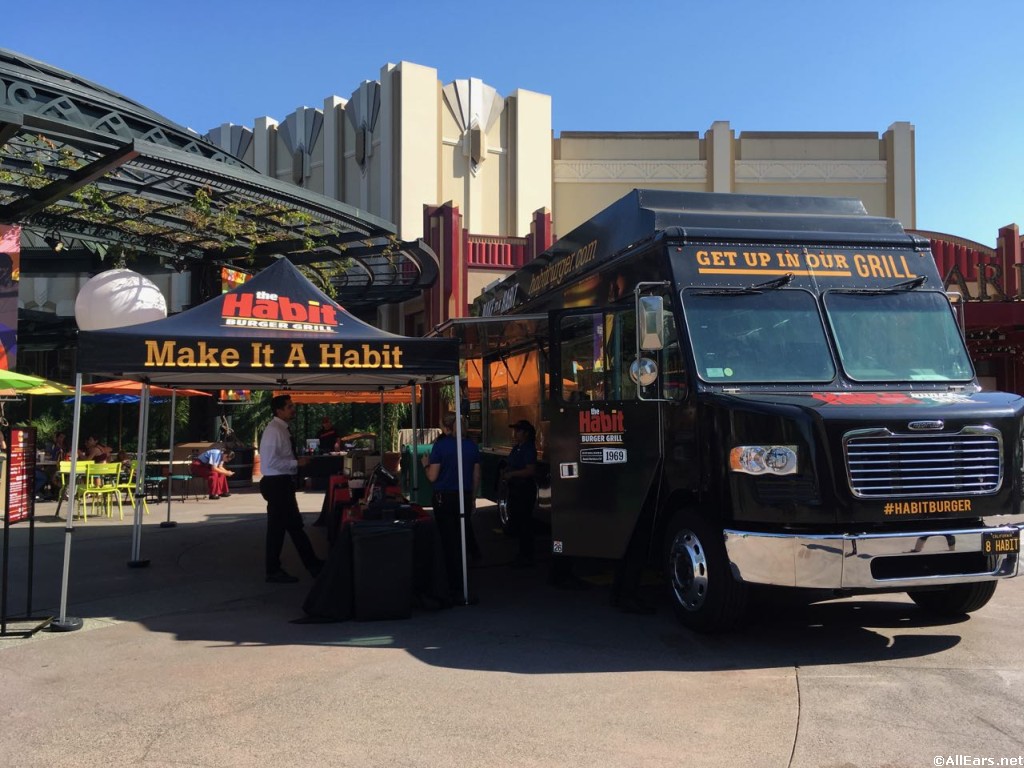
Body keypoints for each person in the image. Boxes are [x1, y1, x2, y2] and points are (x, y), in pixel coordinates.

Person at [258, 394, 324, 583]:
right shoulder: (274, 431)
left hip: (281, 483)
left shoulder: (281, 429)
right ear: (278, 410)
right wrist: (296, 463)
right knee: (287, 528)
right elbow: (270, 462)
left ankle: (308, 564)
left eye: (292, 406)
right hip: (276, 483)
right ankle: (306, 566)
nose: (292, 409)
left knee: (287, 527)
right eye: (289, 407)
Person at [422, 412, 481, 604]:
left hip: (444, 498)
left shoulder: (441, 446)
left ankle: (451, 586)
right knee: (461, 539)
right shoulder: (471, 445)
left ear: (444, 426)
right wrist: (472, 499)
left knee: (448, 542)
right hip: (463, 496)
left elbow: (432, 477)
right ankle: (462, 583)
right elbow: (476, 476)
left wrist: (425, 465)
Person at [502, 420, 538, 567]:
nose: (515, 434)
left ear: (526, 433)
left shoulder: (528, 448)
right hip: (515, 489)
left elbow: (530, 470)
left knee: (525, 522)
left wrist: (512, 474)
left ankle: (526, 555)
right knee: (518, 521)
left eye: (518, 431)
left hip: (524, 489)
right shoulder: (517, 448)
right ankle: (522, 553)